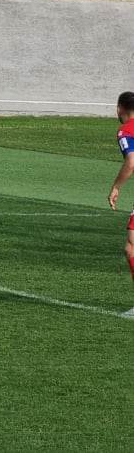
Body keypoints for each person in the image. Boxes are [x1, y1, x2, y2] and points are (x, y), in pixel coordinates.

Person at [108, 91, 134, 318]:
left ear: (120, 108)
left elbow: (131, 161)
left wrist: (116, 186)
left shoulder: (125, 130)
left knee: (131, 247)